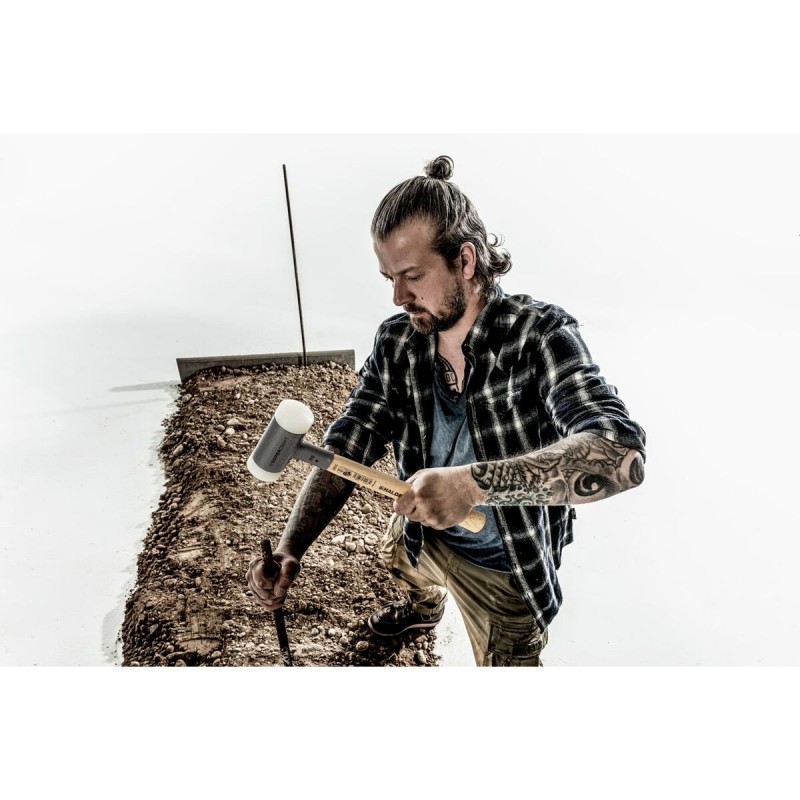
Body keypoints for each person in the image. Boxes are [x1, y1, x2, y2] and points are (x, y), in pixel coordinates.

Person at [247, 155, 646, 666]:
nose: (398, 296)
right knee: (399, 555)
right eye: (389, 278)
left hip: (503, 569)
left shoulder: (540, 337)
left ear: (466, 261)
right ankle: (422, 608)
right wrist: (290, 548)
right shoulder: (398, 341)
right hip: (420, 533)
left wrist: (472, 486)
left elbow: (619, 455)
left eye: (412, 275)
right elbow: (351, 440)